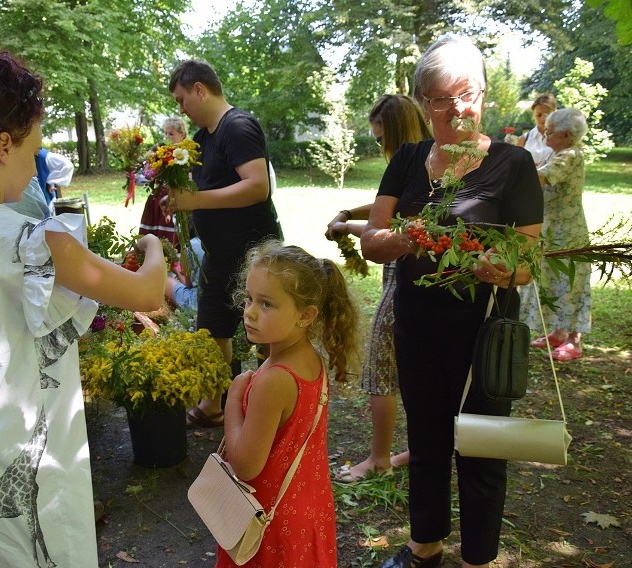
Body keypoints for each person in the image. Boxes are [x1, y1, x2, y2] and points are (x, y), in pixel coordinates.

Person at [0, 51, 166, 566]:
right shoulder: (28, 238)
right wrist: (153, 246)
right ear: (3, 144)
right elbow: (148, 293)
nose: (36, 163)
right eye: (34, 149)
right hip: (6, 454)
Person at [359, 35, 543, 567]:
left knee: (484, 449)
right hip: (418, 327)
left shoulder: (513, 164)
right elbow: (373, 243)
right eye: (440, 98)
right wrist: (410, 236)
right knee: (428, 440)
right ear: (422, 103)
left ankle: (478, 559)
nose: (456, 108)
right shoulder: (411, 160)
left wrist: (500, 268)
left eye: (467, 94)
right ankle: (425, 547)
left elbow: (528, 263)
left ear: (483, 96)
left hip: (485, 334)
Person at [218, 240, 359, 567]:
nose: (250, 311)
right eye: (249, 299)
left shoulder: (274, 380)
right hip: (306, 509)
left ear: (306, 315)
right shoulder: (311, 361)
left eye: (266, 304)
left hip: (269, 521)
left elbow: (244, 465)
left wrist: (234, 399)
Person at [164, 59, 282, 429]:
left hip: (253, 252)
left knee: (267, 330)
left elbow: (256, 186)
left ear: (200, 89)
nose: (181, 109)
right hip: (221, 252)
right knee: (213, 327)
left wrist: (195, 201)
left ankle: (276, 406)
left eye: (183, 99)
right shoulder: (202, 139)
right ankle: (213, 405)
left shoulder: (238, 126)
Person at [326, 94, 430, 481]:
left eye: (379, 137)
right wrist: (350, 214)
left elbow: (399, 228)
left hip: (406, 274)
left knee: (381, 365)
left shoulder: (419, 165)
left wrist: (346, 227)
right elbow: (388, 207)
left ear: (396, 132)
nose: (379, 144)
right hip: (410, 275)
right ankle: (418, 448)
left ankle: (379, 458)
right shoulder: (430, 159)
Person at [521, 107, 591, 361]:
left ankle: (575, 340)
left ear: (566, 135)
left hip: (569, 232)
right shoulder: (558, 153)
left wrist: (511, 169)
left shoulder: (570, 155)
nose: (545, 134)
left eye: (550, 131)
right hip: (553, 229)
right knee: (553, 279)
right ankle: (559, 333)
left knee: (571, 283)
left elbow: (541, 177)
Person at [138, 116, 187, 246]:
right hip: (158, 196)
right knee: (153, 231)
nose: (167, 136)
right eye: (165, 133)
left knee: (172, 233)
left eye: (171, 133)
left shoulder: (186, 153)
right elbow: (148, 173)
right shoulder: (160, 151)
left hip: (175, 196)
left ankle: (171, 256)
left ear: (182, 134)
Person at [165, 233, 205, 313]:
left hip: (198, 304)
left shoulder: (190, 245)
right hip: (222, 300)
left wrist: (176, 269)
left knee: (165, 281)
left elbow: (189, 284)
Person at [516, 93, 557, 166]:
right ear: (533, 115)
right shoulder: (523, 140)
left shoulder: (562, 138)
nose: (542, 119)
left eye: (547, 115)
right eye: (538, 115)